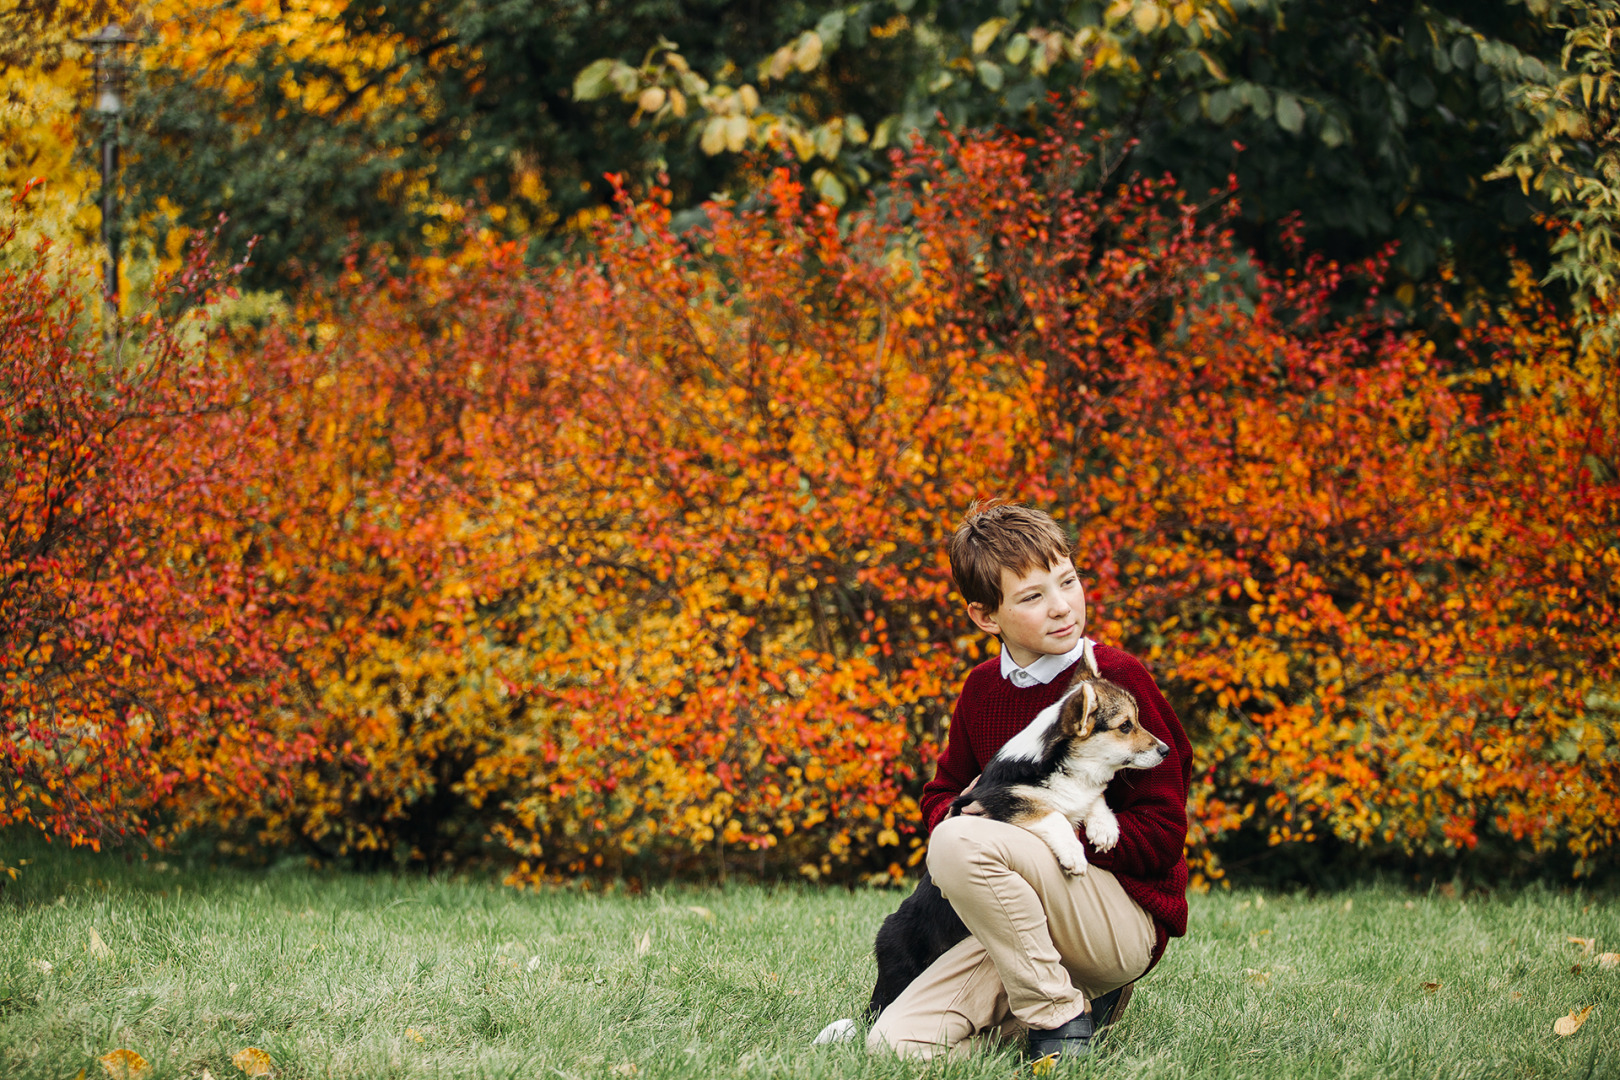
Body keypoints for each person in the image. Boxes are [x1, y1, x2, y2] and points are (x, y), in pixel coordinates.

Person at [866, 503, 1192, 1060]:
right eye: (1032, 596)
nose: (1062, 607)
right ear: (986, 616)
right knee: (892, 1046)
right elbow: (943, 793)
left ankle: (1057, 1016)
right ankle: (1070, 1016)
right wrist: (959, 812)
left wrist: (1047, 831)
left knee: (959, 842)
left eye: (1068, 582)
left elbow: (1164, 831)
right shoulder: (981, 690)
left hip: (1113, 916)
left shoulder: (1117, 679)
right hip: (1016, 929)